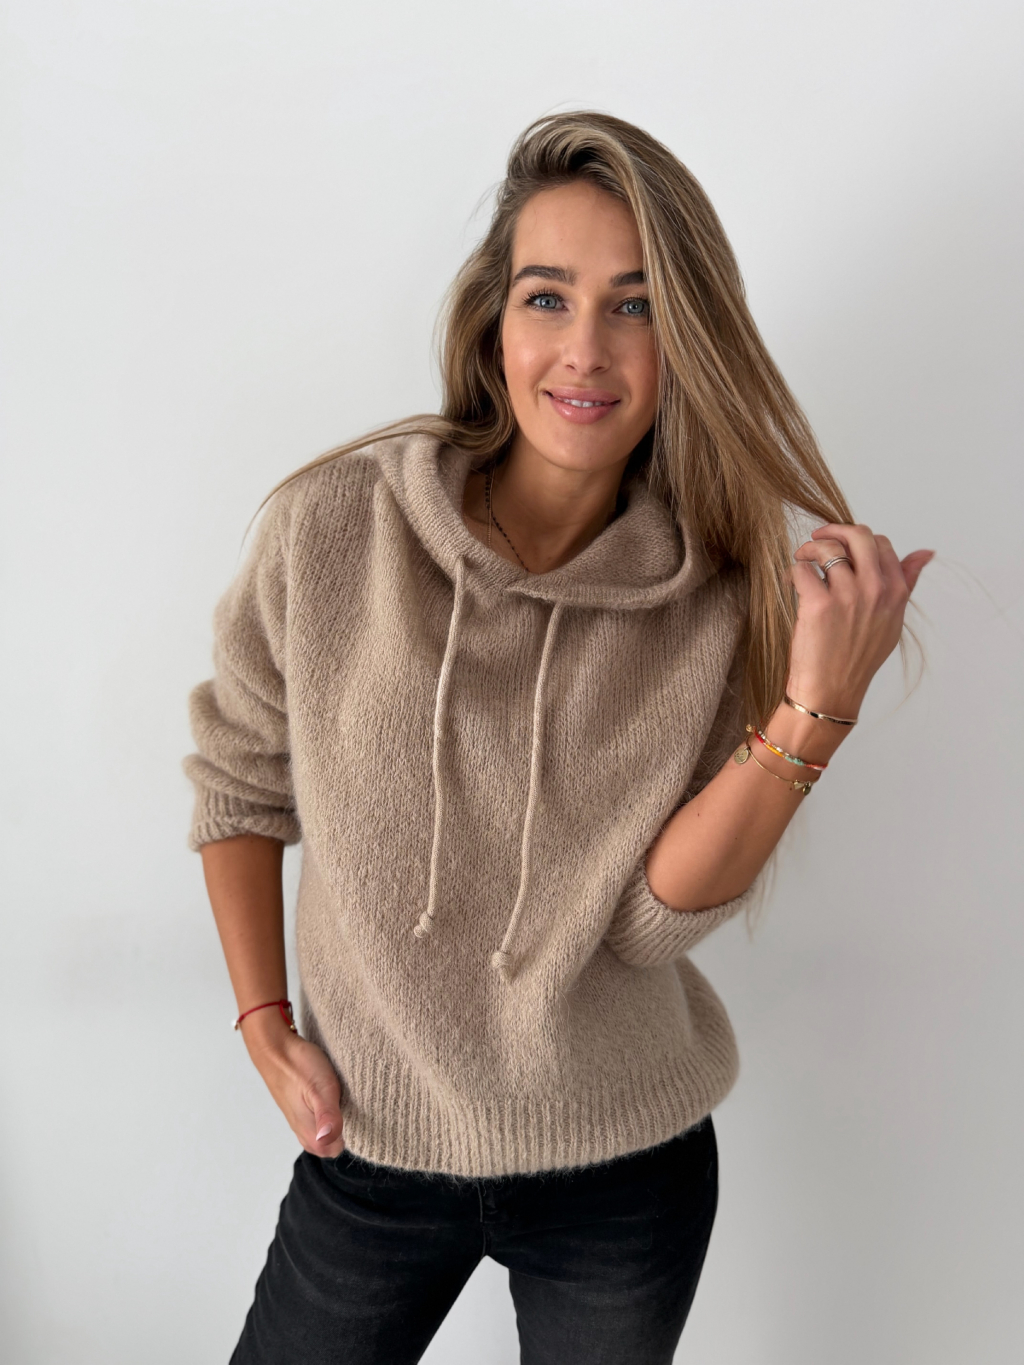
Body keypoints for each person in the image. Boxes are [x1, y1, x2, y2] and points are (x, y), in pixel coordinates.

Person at [184, 111, 933, 1365]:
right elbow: (239, 784)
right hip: (370, 1149)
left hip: (622, 1174)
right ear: (494, 324)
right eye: (548, 298)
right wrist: (264, 1021)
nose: (586, 349)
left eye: (635, 307)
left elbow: (644, 926)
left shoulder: (721, 596)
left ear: (685, 340)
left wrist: (815, 710)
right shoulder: (335, 529)